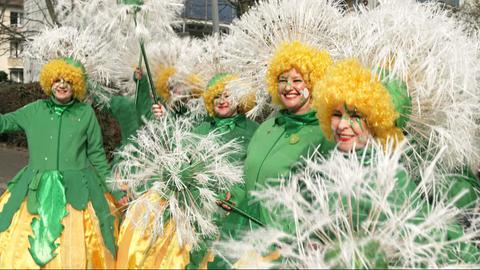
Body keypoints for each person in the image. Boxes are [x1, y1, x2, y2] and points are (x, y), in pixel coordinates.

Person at [208, 41, 336, 269]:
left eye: (298, 80)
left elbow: (327, 200)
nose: (289, 87)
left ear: (314, 84)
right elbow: (248, 174)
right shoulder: (267, 128)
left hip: (281, 247)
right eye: (282, 80)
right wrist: (235, 196)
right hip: (239, 236)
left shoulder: (324, 135)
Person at [115, 72, 258, 269]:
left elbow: (252, 170)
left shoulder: (253, 131)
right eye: (217, 96)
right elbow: (180, 151)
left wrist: (234, 195)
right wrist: (165, 119)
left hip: (223, 207)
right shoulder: (201, 128)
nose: (222, 101)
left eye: (227, 96)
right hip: (189, 202)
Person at [0, 58, 118, 269]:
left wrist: (115, 190)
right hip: (34, 189)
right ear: (49, 82)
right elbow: (4, 123)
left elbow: (97, 155)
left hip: (78, 192)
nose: (62, 85)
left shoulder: (86, 113)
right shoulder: (34, 110)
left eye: (69, 81)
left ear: (77, 85)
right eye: (57, 80)